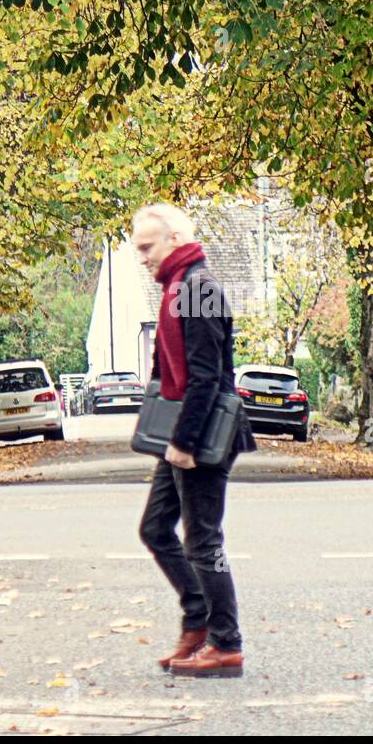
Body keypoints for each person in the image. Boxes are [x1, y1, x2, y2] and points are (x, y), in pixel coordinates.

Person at [130, 202, 256, 678]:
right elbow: (169, 369)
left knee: (202, 539)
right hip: (181, 432)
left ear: (175, 240)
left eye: (148, 247)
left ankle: (226, 643)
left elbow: (206, 377)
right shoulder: (174, 288)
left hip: (204, 435)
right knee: (155, 529)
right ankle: (197, 621)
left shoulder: (198, 289)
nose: (143, 258)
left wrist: (181, 442)